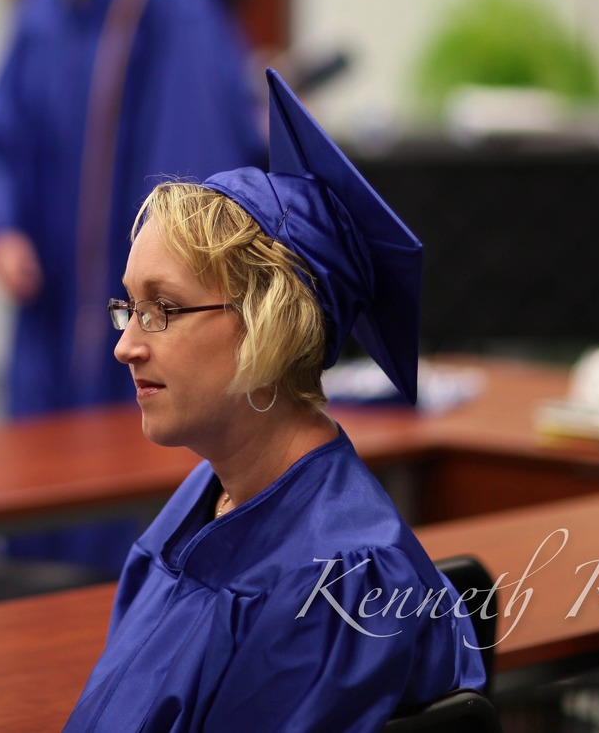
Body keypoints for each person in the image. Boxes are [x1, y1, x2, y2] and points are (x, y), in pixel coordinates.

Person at [65, 70, 486, 732]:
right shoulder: (205, 496)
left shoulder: (341, 582)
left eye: (164, 309)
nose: (127, 347)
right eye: (130, 309)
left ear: (272, 322)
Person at [0, 0, 263, 571]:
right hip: (51, 301)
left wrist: (161, 290)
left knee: (135, 499)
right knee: (39, 498)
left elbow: (192, 168)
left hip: (131, 296)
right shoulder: (46, 1)